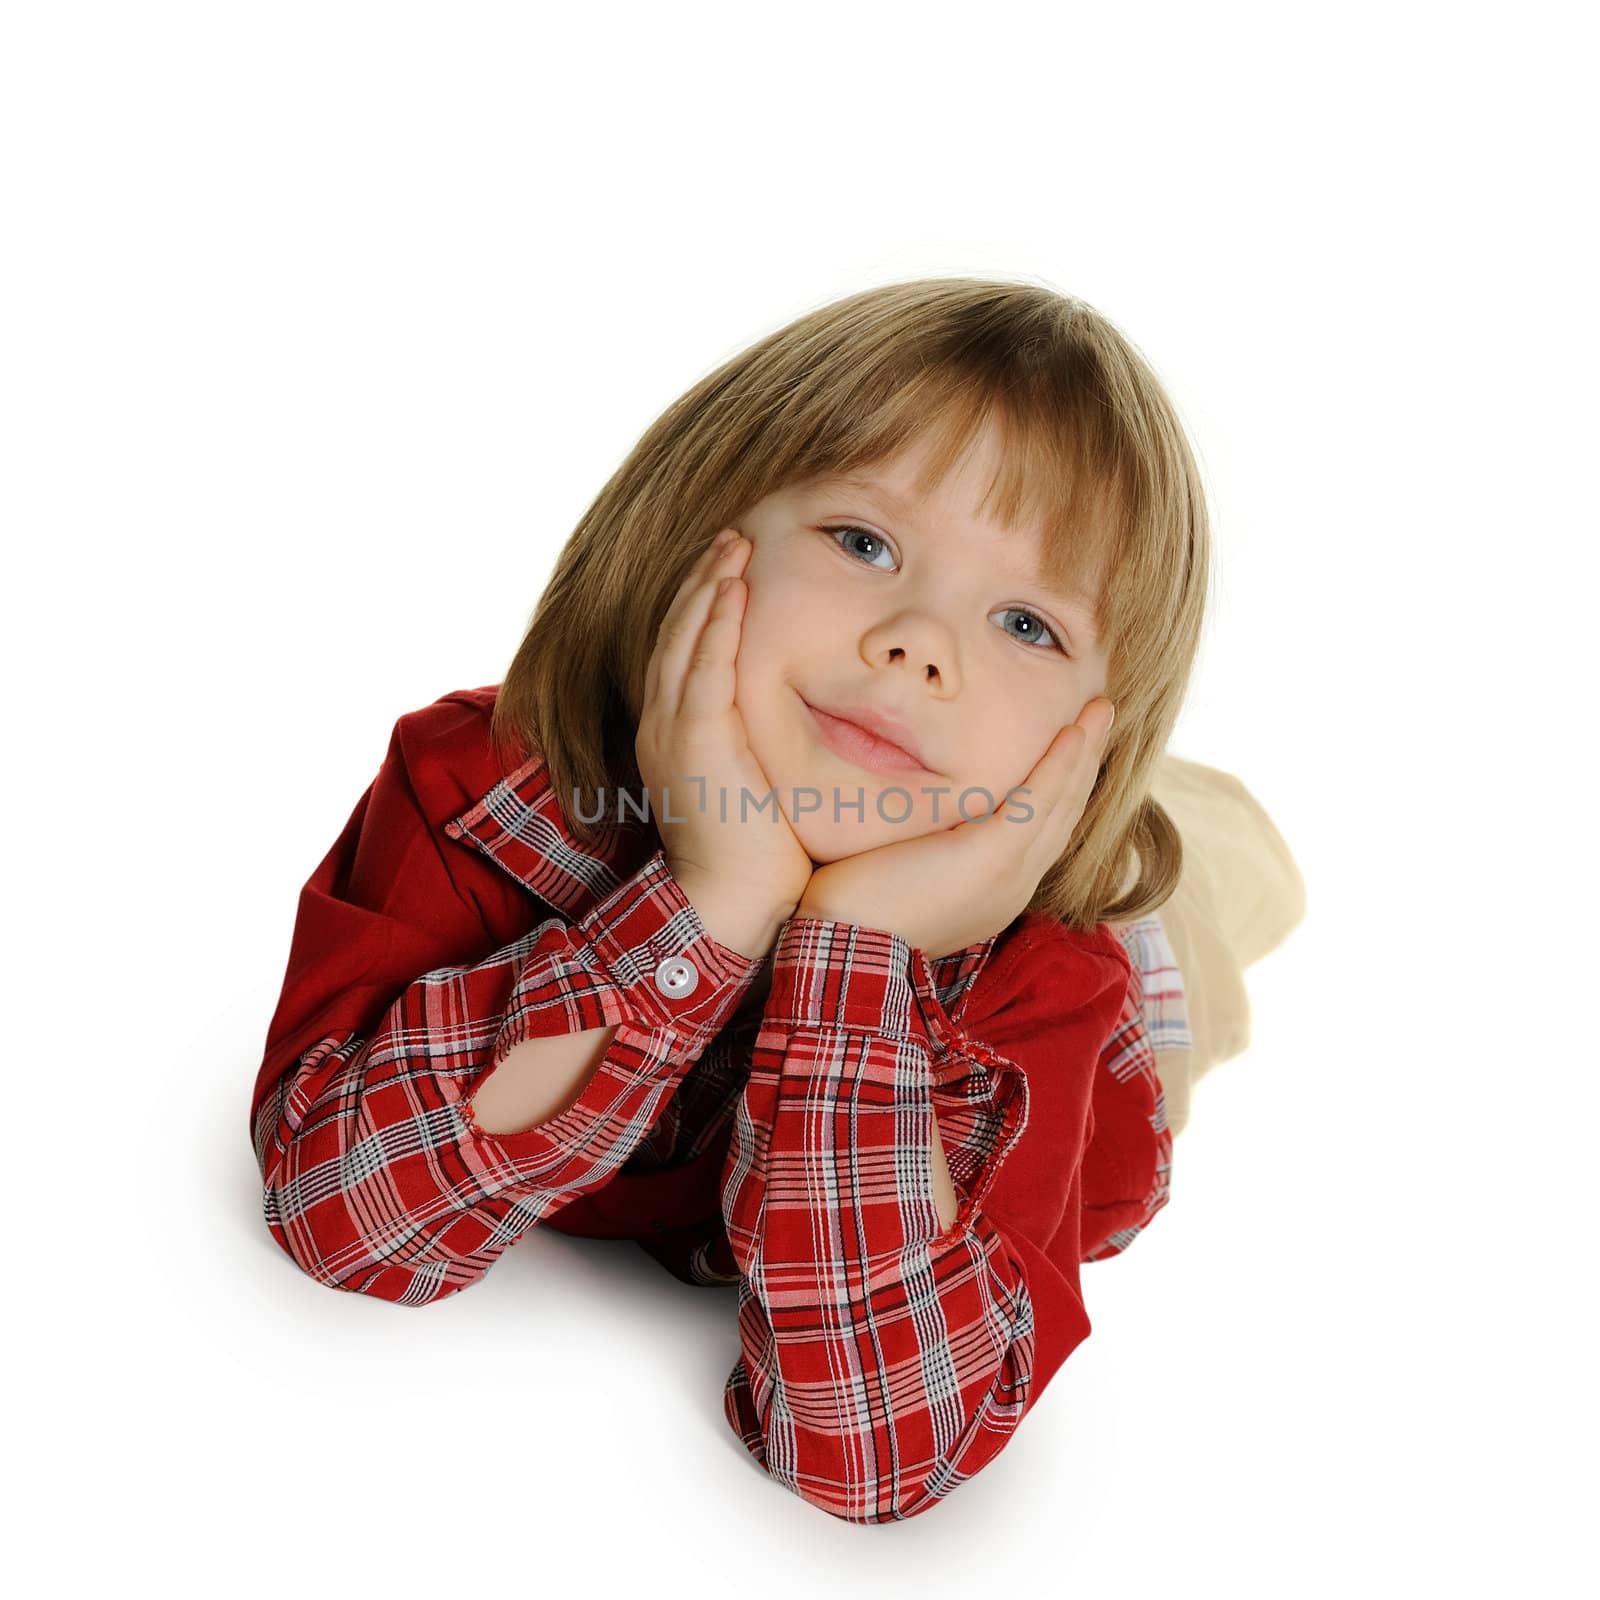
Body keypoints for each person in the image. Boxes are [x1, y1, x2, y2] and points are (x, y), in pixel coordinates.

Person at [249, 277, 1301, 1524]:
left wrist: (856, 948)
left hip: (1082, 931)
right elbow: (343, 1216)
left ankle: (1153, 812)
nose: (919, 641)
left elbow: (871, 1452)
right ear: (695, 523)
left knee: (1191, 882)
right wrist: (716, 899)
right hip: (896, 780)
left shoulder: (1051, 984)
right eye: (864, 543)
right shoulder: (485, 788)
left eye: (1026, 621)